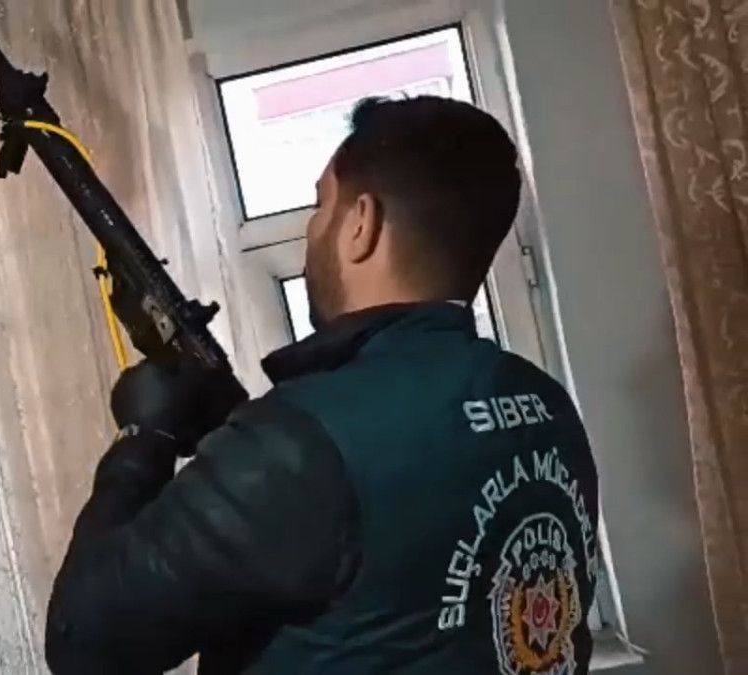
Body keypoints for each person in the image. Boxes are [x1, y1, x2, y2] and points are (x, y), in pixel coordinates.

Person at [45, 96, 600, 675]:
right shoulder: (548, 406)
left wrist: (143, 439)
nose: (312, 232)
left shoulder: (300, 442)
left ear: (361, 224)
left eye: (319, 207)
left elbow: (83, 643)